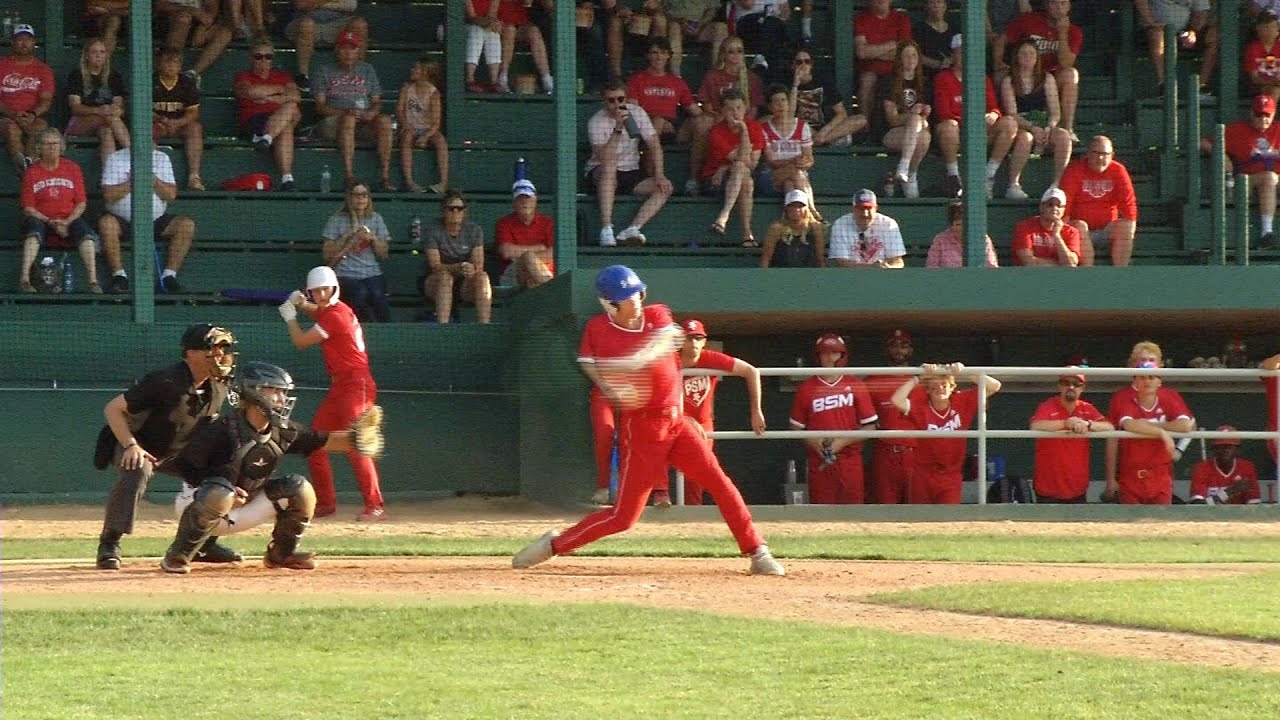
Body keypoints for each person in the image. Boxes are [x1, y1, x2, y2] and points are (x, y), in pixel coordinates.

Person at [512, 265, 784, 576]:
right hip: (642, 430)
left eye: (638, 293)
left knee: (720, 483)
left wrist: (632, 363)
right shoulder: (605, 335)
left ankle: (757, 550)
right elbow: (612, 383)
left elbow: (662, 342)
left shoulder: (657, 314)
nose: (638, 300)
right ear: (610, 304)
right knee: (623, 518)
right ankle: (556, 544)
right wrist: (618, 379)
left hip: (677, 423)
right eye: (628, 297)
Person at [162, 361, 381, 573]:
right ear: (252, 393)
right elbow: (184, 466)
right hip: (199, 504)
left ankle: (281, 554)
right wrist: (219, 488)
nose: (280, 398)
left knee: (299, 488)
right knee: (220, 492)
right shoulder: (222, 429)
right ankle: (178, 554)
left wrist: (356, 438)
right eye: (272, 390)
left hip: (244, 507)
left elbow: (323, 440)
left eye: (283, 392)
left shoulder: (282, 431)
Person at [94, 324, 239, 570]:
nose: (220, 354)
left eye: (224, 348)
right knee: (137, 467)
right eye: (212, 348)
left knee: (221, 477)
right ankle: (110, 542)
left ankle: (203, 543)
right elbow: (113, 409)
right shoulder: (165, 380)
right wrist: (130, 445)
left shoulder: (219, 385)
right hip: (139, 444)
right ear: (190, 353)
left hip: (179, 452)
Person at [278, 265, 387, 521]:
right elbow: (319, 311)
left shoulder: (336, 315)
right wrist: (302, 304)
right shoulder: (334, 311)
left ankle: (375, 505)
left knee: (356, 443)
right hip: (340, 385)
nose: (321, 294)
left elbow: (301, 341)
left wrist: (290, 316)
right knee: (315, 443)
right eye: (316, 291)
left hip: (356, 383)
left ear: (334, 288)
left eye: (325, 289)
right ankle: (325, 503)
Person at [651, 318, 766, 506]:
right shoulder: (669, 361)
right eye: (689, 338)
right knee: (657, 441)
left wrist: (755, 411)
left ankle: (694, 515)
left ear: (704, 341)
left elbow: (751, 371)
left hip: (702, 423)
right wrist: (684, 419)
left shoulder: (708, 358)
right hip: (672, 419)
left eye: (698, 338)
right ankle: (660, 493)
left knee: (698, 472)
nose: (694, 343)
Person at [891, 362, 1003, 504]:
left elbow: (994, 386)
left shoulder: (962, 401)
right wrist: (917, 378)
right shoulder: (920, 405)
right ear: (928, 390)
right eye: (934, 386)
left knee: (948, 517)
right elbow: (897, 400)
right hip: (923, 473)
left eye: (944, 384)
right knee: (919, 518)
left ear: (952, 387)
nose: (940, 388)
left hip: (951, 474)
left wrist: (965, 372)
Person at [933, 33, 1027, 200]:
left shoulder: (982, 79)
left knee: (1010, 123)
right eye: (961, 52)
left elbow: (995, 108)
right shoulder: (943, 78)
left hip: (981, 133)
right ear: (953, 54)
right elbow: (943, 113)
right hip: (957, 134)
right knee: (949, 126)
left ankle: (987, 175)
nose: (966, 56)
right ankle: (954, 177)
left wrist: (992, 114)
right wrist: (972, 123)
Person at [789, 333, 878, 504]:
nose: (829, 358)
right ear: (818, 356)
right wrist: (817, 444)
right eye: (825, 353)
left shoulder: (855, 384)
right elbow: (796, 427)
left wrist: (841, 442)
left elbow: (870, 426)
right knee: (822, 513)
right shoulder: (806, 388)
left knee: (852, 511)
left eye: (834, 353)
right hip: (820, 460)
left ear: (842, 355)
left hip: (850, 460)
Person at [1104, 341, 1195, 505]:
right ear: (1133, 366)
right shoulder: (1122, 396)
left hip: (1160, 473)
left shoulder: (1169, 395)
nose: (1147, 366)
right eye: (1142, 361)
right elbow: (1118, 433)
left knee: (1160, 525)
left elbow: (1187, 425)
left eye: (1152, 361)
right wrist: (1110, 479)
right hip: (1130, 473)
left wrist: (1152, 426)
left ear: (1160, 366)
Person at [97, 146, 197, 294]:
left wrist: (154, 181)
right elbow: (108, 195)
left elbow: (171, 195)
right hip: (123, 220)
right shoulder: (116, 158)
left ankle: (169, 276)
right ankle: (119, 276)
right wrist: (131, 182)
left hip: (155, 220)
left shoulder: (162, 158)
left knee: (186, 225)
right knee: (106, 223)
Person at [585, 81, 672, 247]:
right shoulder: (596, 122)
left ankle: (633, 229)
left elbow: (654, 144)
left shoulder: (637, 113)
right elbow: (605, 157)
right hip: (601, 171)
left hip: (631, 170)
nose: (617, 104)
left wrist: (659, 174)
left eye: (620, 99)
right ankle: (606, 228)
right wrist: (618, 127)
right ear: (604, 101)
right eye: (611, 100)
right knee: (610, 166)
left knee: (664, 187)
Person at [313, 30, 394, 191]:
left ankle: (385, 177)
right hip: (334, 122)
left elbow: (377, 102)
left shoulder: (367, 70)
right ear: (337, 50)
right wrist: (344, 113)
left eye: (352, 48)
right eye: (344, 48)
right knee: (348, 120)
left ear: (358, 51)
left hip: (363, 121)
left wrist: (371, 112)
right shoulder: (325, 70)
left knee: (385, 121)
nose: (348, 53)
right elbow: (320, 107)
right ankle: (349, 176)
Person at [19, 128, 97, 293]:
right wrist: (50, 221)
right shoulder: (32, 172)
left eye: (55, 143)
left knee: (87, 236)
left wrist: (67, 222)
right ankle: (25, 279)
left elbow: (81, 203)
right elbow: (28, 208)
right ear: (39, 148)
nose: (51, 147)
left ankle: (93, 282)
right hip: (41, 219)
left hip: (69, 219)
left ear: (62, 147)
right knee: (33, 232)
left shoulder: (72, 168)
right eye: (47, 144)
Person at [686, 36, 764, 195]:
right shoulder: (713, 76)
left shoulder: (752, 78)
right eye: (731, 52)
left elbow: (754, 110)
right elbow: (707, 106)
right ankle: (694, 178)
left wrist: (739, 122)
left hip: (743, 121)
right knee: (702, 124)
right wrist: (726, 119)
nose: (735, 55)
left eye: (739, 51)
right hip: (718, 120)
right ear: (723, 55)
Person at [1202, 95, 1280, 247]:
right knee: (1269, 178)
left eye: (1267, 115)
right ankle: (1267, 233)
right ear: (1251, 113)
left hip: (1276, 179)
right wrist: (1222, 155)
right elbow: (1203, 142)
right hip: (1246, 181)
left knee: (1271, 178)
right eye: (1259, 114)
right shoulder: (1237, 130)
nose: (1263, 119)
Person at [1029, 368, 1112, 503]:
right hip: (1048, 487)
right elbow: (1036, 425)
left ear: (1083, 388)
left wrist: (1088, 424)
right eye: (1066, 382)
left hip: (1077, 487)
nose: (1071, 387)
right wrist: (1066, 423)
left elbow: (1109, 427)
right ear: (1059, 386)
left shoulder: (1086, 408)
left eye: (1076, 384)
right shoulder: (1048, 406)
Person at [1000, 37, 1072, 191]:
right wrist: (1032, 128)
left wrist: (1049, 127)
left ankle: (1058, 184)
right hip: (1022, 124)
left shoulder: (1047, 79)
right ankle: (1014, 184)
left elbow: (1055, 112)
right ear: (1017, 57)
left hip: (1043, 124)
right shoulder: (1009, 81)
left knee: (1063, 137)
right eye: (1023, 53)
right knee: (1026, 138)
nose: (1028, 57)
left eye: (1032, 53)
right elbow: (1012, 113)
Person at [1003, 0, 1081, 139]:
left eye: (1063, 3)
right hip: (1023, 75)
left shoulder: (1074, 31)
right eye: (1054, 3)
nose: (1059, 7)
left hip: (1049, 79)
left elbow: (1066, 63)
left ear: (1069, 6)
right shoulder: (1029, 20)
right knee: (1000, 76)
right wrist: (998, 64)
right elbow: (1002, 40)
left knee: (1071, 74)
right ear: (1046, 5)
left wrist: (1062, 32)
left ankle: (1068, 128)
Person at [1059, 135, 1138, 266]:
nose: (1100, 158)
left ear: (1112, 155)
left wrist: (1130, 231)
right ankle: (1089, 275)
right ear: (1088, 153)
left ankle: (1121, 274)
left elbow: (1128, 204)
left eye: (1105, 154)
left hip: (1107, 230)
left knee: (1125, 225)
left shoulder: (1118, 170)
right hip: (1079, 231)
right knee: (1079, 225)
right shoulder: (1074, 170)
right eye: (1096, 153)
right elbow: (1065, 205)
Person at [233, 40, 301, 192]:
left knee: (291, 107)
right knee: (286, 125)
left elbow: (296, 96)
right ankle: (287, 178)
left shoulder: (283, 76)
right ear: (251, 58)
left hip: (276, 120)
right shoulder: (243, 76)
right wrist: (280, 91)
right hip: (254, 120)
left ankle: (266, 139)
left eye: (268, 57)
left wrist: (268, 97)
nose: (264, 60)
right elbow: (250, 92)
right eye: (258, 56)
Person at [321, 181, 391, 322]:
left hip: (371, 273)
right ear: (349, 198)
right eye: (356, 195)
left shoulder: (376, 219)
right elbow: (327, 256)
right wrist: (347, 235)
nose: (360, 199)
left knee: (378, 295)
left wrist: (373, 238)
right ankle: (363, 327)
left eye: (364, 195)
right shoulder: (336, 220)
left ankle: (387, 329)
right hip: (344, 274)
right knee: (360, 293)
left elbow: (384, 255)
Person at [704, 88, 764, 245]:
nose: (735, 113)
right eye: (730, 109)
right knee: (742, 172)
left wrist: (743, 129)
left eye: (738, 107)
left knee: (744, 175)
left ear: (745, 108)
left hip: (739, 176)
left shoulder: (755, 128)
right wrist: (727, 166)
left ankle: (723, 218)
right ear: (723, 111)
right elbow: (744, 159)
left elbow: (751, 164)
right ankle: (746, 233)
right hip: (715, 181)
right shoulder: (717, 132)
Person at [863, 329, 917, 504]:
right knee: (885, 505)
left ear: (911, 350)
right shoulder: (873, 380)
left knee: (917, 506)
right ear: (887, 350)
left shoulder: (923, 379)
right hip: (885, 450)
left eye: (904, 345)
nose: (899, 350)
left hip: (917, 450)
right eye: (894, 345)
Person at [423, 190, 493, 324]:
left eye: (459, 208)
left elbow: (479, 264)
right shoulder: (433, 230)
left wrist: (471, 268)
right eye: (451, 208)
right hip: (437, 282)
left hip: (465, 283)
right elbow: (435, 265)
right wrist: (458, 267)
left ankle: (484, 325)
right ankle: (443, 326)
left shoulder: (474, 230)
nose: (455, 212)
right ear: (443, 211)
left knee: (483, 277)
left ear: (465, 211)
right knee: (445, 277)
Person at [64, 38, 130, 164]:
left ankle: (109, 175)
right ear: (87, 55)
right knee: (108, 119)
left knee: (106, 132)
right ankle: (133, 152)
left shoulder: (113, 76)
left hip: (107, 121)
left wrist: (116, 111)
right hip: (79, 123)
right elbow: (75, 107)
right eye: (94, 52)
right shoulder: (77, 75)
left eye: (102, 52)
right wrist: (99, 110)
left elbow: (119, 106)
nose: (98, 55)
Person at [0, 24, 54, 177]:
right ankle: (23, 168)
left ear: (33, 42)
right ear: (13, 42)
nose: (24, 43)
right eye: (19, 39)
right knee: (11, 127)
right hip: (5, 118)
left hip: (32, 117)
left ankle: (28, 164)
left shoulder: (43, 69)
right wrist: (13, 114)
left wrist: (32, 114)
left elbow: (46, 101)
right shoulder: (2, 65)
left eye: (28, 39)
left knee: (41, 126)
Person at [1135, 0, 1218, 97]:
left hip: (1184, 32)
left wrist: (1192, 32)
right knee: (1156, 35)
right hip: (1154, 28)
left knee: (1214, 36)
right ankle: (1164, 85)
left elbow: (1200, 13)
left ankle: (1201, 87)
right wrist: (1151, 22)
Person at [881, 40, 931, 198]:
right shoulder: (889, 81)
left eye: (914, 55)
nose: (911, 59)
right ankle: (905, 168)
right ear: (899, 59)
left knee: (924, 135)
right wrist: (912, 115)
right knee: (915, 121)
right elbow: (892, 120)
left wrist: (924, 114)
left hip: (918, 132)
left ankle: (910, 174)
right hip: (893, 133)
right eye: (906, 55)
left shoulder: (924, 83)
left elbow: (926, 124)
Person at [152, 48, 206, 191]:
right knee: (147, 130)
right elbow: (142, 110)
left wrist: (177, 123)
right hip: (157, 124)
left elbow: (193, 113)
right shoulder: (150, 81)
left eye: (175, 62)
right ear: (158, 64)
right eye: (166, 62)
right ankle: (150, 176)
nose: (170, 65)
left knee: (195, 128)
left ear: (180, 66)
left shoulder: (186, 82)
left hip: (180, 124)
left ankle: (194, 177)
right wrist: (160, 120)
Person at [627, 37, 701, 141]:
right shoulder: (637, 79)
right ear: (647, 55)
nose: (659, 57)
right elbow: (632, 109)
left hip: (672, 125)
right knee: (658, 121)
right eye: (654, 53)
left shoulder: (677, 82)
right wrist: (656, 120)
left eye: (663, 53)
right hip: (645, 123)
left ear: (668, 55)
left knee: (701, 122)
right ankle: (650, 152)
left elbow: (693, 109)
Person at [286, 0, 368, 93]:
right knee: (306, 24)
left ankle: (358, 73)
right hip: (305, 20)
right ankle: (303, 75)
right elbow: (302, 5)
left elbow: (350, 5)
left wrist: (316, 3)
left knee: (359, 24)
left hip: (338, 23)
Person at [854, 0, 911, 131]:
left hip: (896, 71)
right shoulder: (861, 19)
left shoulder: (901, 18)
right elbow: (861, 52)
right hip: (871, 71)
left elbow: (904, 52)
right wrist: (891, 45)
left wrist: (873, 52)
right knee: (867, 79)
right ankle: (865, 129)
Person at [792, 48, 867, 148]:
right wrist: (795, 85)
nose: (803, 65)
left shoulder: (823, 82)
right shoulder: (788, 84)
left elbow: (841, 113)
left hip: (826, 128)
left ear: (812, 65)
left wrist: (823, 133)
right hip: (803, 128)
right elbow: (788, 114)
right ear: (792, 65)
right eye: (799, 62)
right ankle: (832, 141)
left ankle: (822, 141)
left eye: (807, 62)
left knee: (861, 119)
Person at [397, 57, 449, 194]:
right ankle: (410, 182)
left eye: (416, 68)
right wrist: (405, 124)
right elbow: (400, 111)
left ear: (426, 72)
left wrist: (426, 137)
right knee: (407, 138)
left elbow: (436, 122)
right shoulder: (407, 89)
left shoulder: (434, 93)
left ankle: (443, 183)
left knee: (441, 141)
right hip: (410, 127)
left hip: (428, 128)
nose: (412, 70)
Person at [154, 0, 233, 87]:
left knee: (225, 33)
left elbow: (210, 13)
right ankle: (170, 74)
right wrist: (190, 10)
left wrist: (201, 29)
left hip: (197, 24)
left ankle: (192, 74)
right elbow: (159, 5)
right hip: (169, 21)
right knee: (183, 18)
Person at [760, 84, 815, 204]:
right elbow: (771, 162)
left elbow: (810, 160)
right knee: (796, 173)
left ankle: (791, 216)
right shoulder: (764, 129)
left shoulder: (802, 126)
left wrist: (804, 162)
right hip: (772, 177)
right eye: (776, 102)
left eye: (783, 100)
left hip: (797, 179)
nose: (780, 105)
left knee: (789, 184)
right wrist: (794, 162)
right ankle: (813, 212)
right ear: (770, 107)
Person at [495, 179, 555, 289]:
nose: (524, 202)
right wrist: (539, 248)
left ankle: (545, 287)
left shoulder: (548, 223)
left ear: (535, 200)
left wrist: (524, 256)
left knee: (532, 278)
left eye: (528, 198)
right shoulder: (504, 223)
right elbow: (506, 252)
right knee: (528, 257)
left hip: (544, 270)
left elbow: (554, 254)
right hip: (513, 274)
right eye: (520, 199)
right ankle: (550, 289)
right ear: (514, 203)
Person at [827, 189, 906, 269]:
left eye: (868, 208)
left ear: (876, 208)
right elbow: (842, 263)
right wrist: (872, 267)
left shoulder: (889, 224)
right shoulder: (840, 225)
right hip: (851, 276)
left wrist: (886, 267)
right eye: (860, 208)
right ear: (853, 209)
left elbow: (898, 261)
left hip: (883, 275)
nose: (865, 214)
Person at [1187, 426, 1261, 505]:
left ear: (1237, 450)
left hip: (1239, 515)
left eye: (1229, 446)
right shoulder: (1202, 468)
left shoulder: (1246, 467)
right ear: (1214, 449)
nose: (1225, 450)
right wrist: (1229, 492)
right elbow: (1197, 505)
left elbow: (1254, 505)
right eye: (1221, 446)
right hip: (1210, 516)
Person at [1011, 187, 1082, 267]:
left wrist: (1057, 235)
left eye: (1059, 206)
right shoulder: (1024, 227)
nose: (1054, 208)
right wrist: (1059, 264)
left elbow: (1071, 263)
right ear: (1042, 207)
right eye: (1050, 205)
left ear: (1064, 210)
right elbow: (1028, 262)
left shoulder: (1071, 232)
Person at [496, 0, 554, 95]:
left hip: (519, 22)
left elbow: (528, 3)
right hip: (500, 23)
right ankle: (502, 78)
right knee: (510, 30)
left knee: (533, 31)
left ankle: (547, 80)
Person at [760, 189, 825, 268]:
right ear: (786, 209)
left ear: (807, 209)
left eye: (800, 206)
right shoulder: (776, 229)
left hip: (809, 275)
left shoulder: (816, 228)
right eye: (792, 206)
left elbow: (820, 258)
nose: (796, 209)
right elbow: (766, 258)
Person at [665, 0, 728, 77]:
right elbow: (661, 9)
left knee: (721, 28)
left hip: (701, 26)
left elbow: (712, 9)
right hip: (677, 26)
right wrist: (678, 21)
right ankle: (675, 76)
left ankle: (718, 74)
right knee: (674, 27)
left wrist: (701, 23)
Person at [926, 201, 998, 268]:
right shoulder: (940, 239)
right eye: (958, 224)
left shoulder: (982, 239)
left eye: (966, 224)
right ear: (952, 224)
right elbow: (931, 267)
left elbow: (992, 267)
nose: (961, 228)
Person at [464, 0, 502, 92]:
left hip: (481, 25)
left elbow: (492, 16)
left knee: (493, 33)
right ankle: (469, 79)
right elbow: (471, 18)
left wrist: (495, 23)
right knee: (476, 30)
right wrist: (489, 23)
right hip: (456, 28)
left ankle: (494, 81)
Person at [915, 0, 953, 84]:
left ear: (945, 6)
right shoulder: (918, 29)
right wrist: (938, 64)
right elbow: (914, 54)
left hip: (952, 77)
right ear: (926, 6)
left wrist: (953, 60)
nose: (936, 5)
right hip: (928, 78)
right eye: (932, 2)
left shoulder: (954, 29)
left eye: (939, 2)